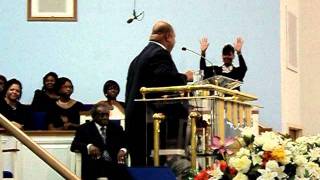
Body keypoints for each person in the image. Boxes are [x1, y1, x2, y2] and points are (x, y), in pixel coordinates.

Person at [125, 20, 193, 166]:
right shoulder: (159, 53)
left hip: (136, 121)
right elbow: (167, 79)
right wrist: (186, 77)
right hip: (149, 123)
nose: (174, 43)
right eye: (174, 38)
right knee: (150, 170)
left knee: (140, 168)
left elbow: (155, 82)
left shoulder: (139, 57)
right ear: (168, 36)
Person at [70, 101, 131, 180]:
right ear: (94, 116)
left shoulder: (116, 128)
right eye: (102, 115)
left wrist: (123, 150)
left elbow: (126, 142)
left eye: (107, 115)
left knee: (124, 174)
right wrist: (89, 146)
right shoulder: (84, 128)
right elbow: (74, 145)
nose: (105, 117)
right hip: (94, 164)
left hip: (113, 163)